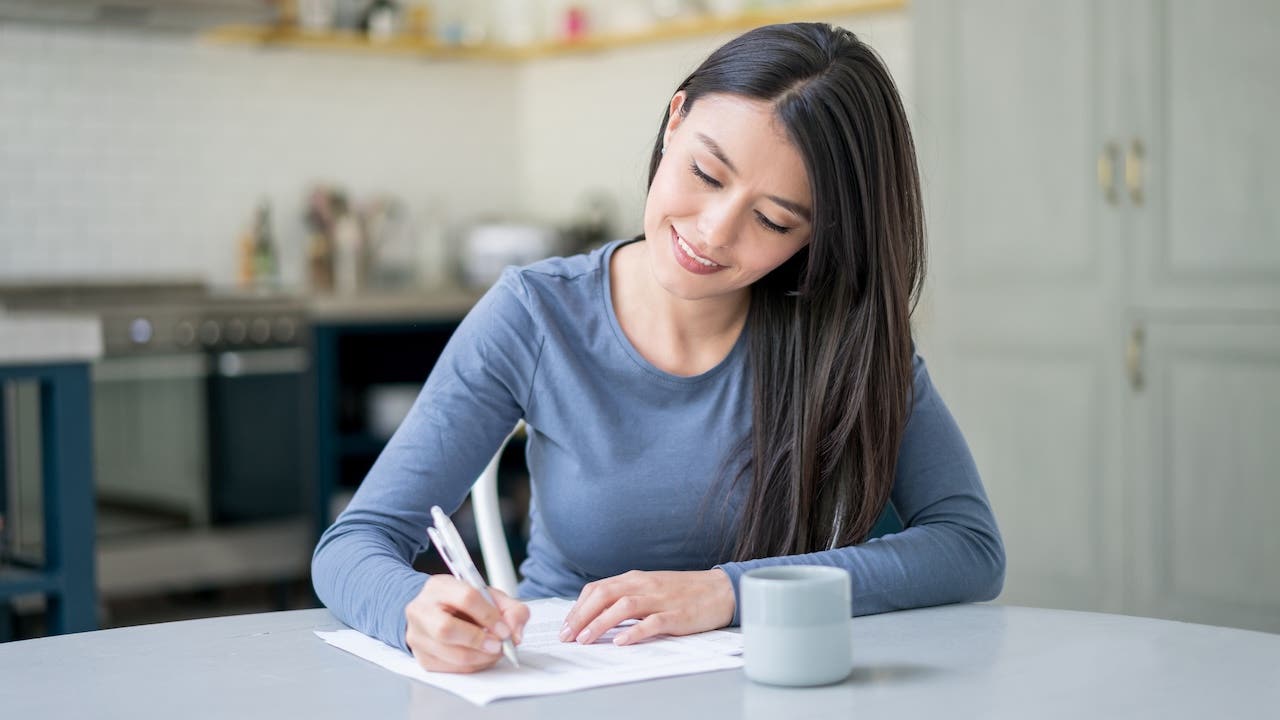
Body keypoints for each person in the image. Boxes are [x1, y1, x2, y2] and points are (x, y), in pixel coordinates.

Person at [312, 22, 1005, 674]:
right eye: (706, 175)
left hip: (764, 687)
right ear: (675, 121)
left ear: (815, 239)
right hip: (565, 681)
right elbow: (354, 543)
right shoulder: (536, 315)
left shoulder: (837, 335)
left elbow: (969, 547)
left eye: (771, 220)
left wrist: (728, 592)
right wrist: (413, 611)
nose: (713, 233)